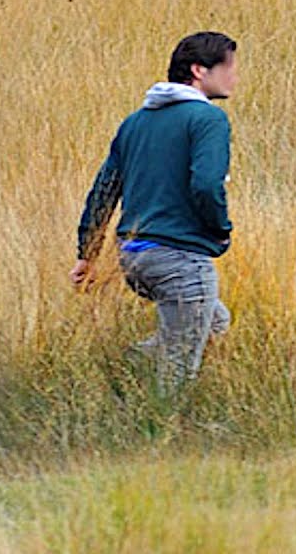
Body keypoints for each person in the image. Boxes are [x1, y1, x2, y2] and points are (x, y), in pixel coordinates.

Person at [71, 31, 239, 393]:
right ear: (198, 70)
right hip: (180, 259)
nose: (233, 77)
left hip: (133, 257)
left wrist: (88, 255)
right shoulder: (208, 120)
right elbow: (208, 185)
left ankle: (127, 368)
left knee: (213, 322)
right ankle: (157, 431)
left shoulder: (134, 123)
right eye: (227, 67)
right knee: (178, 368)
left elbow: (103, 190)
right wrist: (220, 229)